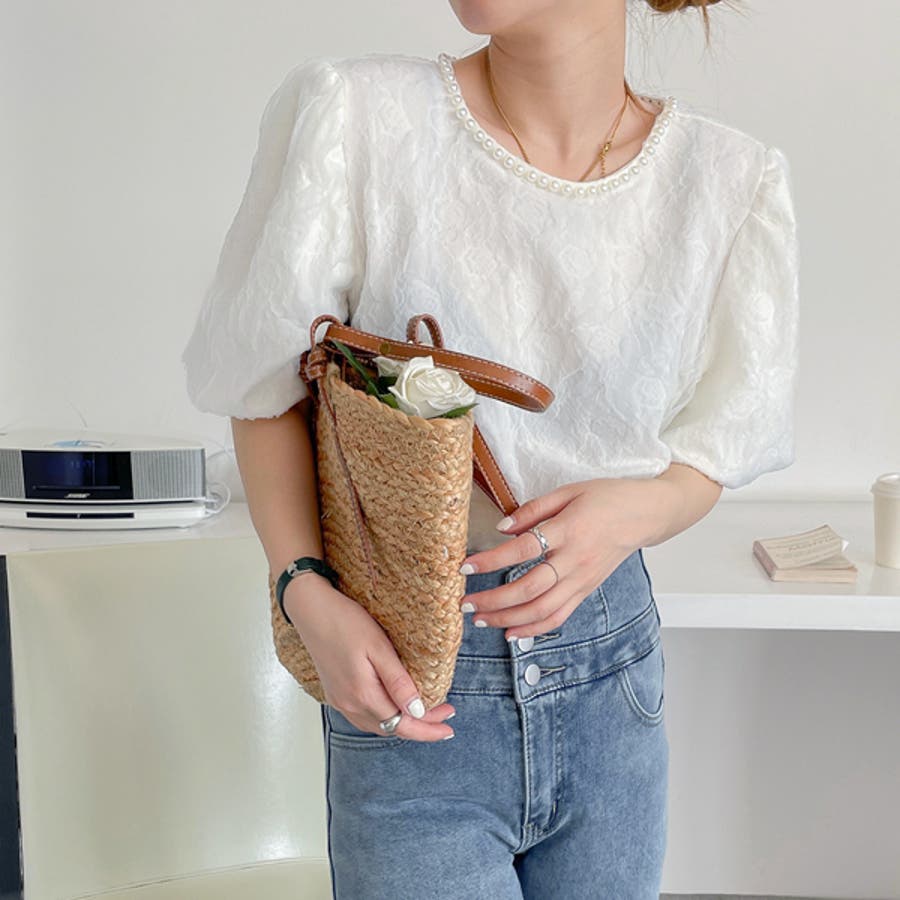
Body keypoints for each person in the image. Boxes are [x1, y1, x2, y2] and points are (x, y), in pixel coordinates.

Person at [180, 0, 799, 896]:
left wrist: (642, 508)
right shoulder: (359, 117)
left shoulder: (728, 179)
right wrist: (301, 588)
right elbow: (260, 381)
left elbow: (726, 435)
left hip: (611, 680)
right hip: (410, 676)